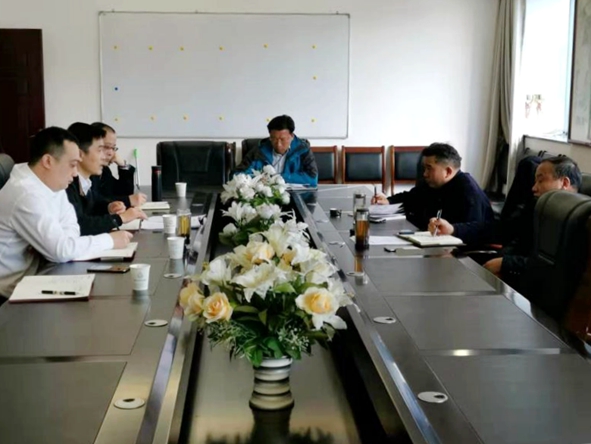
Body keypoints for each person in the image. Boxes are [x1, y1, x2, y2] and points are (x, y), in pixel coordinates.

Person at [0, 127, 133, 302]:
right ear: (48, 161)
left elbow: (71, 225)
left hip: (39, 276)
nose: (75, 173)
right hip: (10, 295)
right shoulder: (25, 194)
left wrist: (68, 245)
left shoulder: (50, 181)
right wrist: (110, 240)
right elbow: (61, 251)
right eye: (72, 164)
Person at [429, 156, 581, 285]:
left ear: (564, 183)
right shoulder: (536, 207)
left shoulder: (578, 221)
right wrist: (453, 229)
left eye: (540, 181)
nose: (534, 188)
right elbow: (500, 230)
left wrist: (507, 264)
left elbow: (558, 267)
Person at [373, 143, 493, 230]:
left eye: (429, 168)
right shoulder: (433, 184)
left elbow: (474, 231)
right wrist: (388, 201)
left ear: (448, 172)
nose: (424, 174)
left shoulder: (468, 192)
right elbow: (411, 196)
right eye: (424, 168)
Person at [66, 122, 146, 235]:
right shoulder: (66, 184)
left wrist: (109, 207)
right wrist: (120, 218)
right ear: (80, 154)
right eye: (101, 149)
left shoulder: (88, 180)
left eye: (113, 148)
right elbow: (80, 224)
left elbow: (96, 203)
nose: (106, 155)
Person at [234, 115, 318, 186]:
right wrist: (259, 178)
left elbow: (312, 178)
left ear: (291, 136)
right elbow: (237, 174)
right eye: (274, 139)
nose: (278, 144)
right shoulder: (259, 151)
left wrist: (279, 178)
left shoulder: (302, 150)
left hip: (294, 196)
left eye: (282, 139)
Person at [91, 122, 146, 207]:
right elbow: (95, 203)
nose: (111, 153)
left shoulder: (105, 170)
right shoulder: (88, 171)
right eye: (106, 147)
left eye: (113, 148)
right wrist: (128, 200)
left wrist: (122, 165)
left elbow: (124, 193)